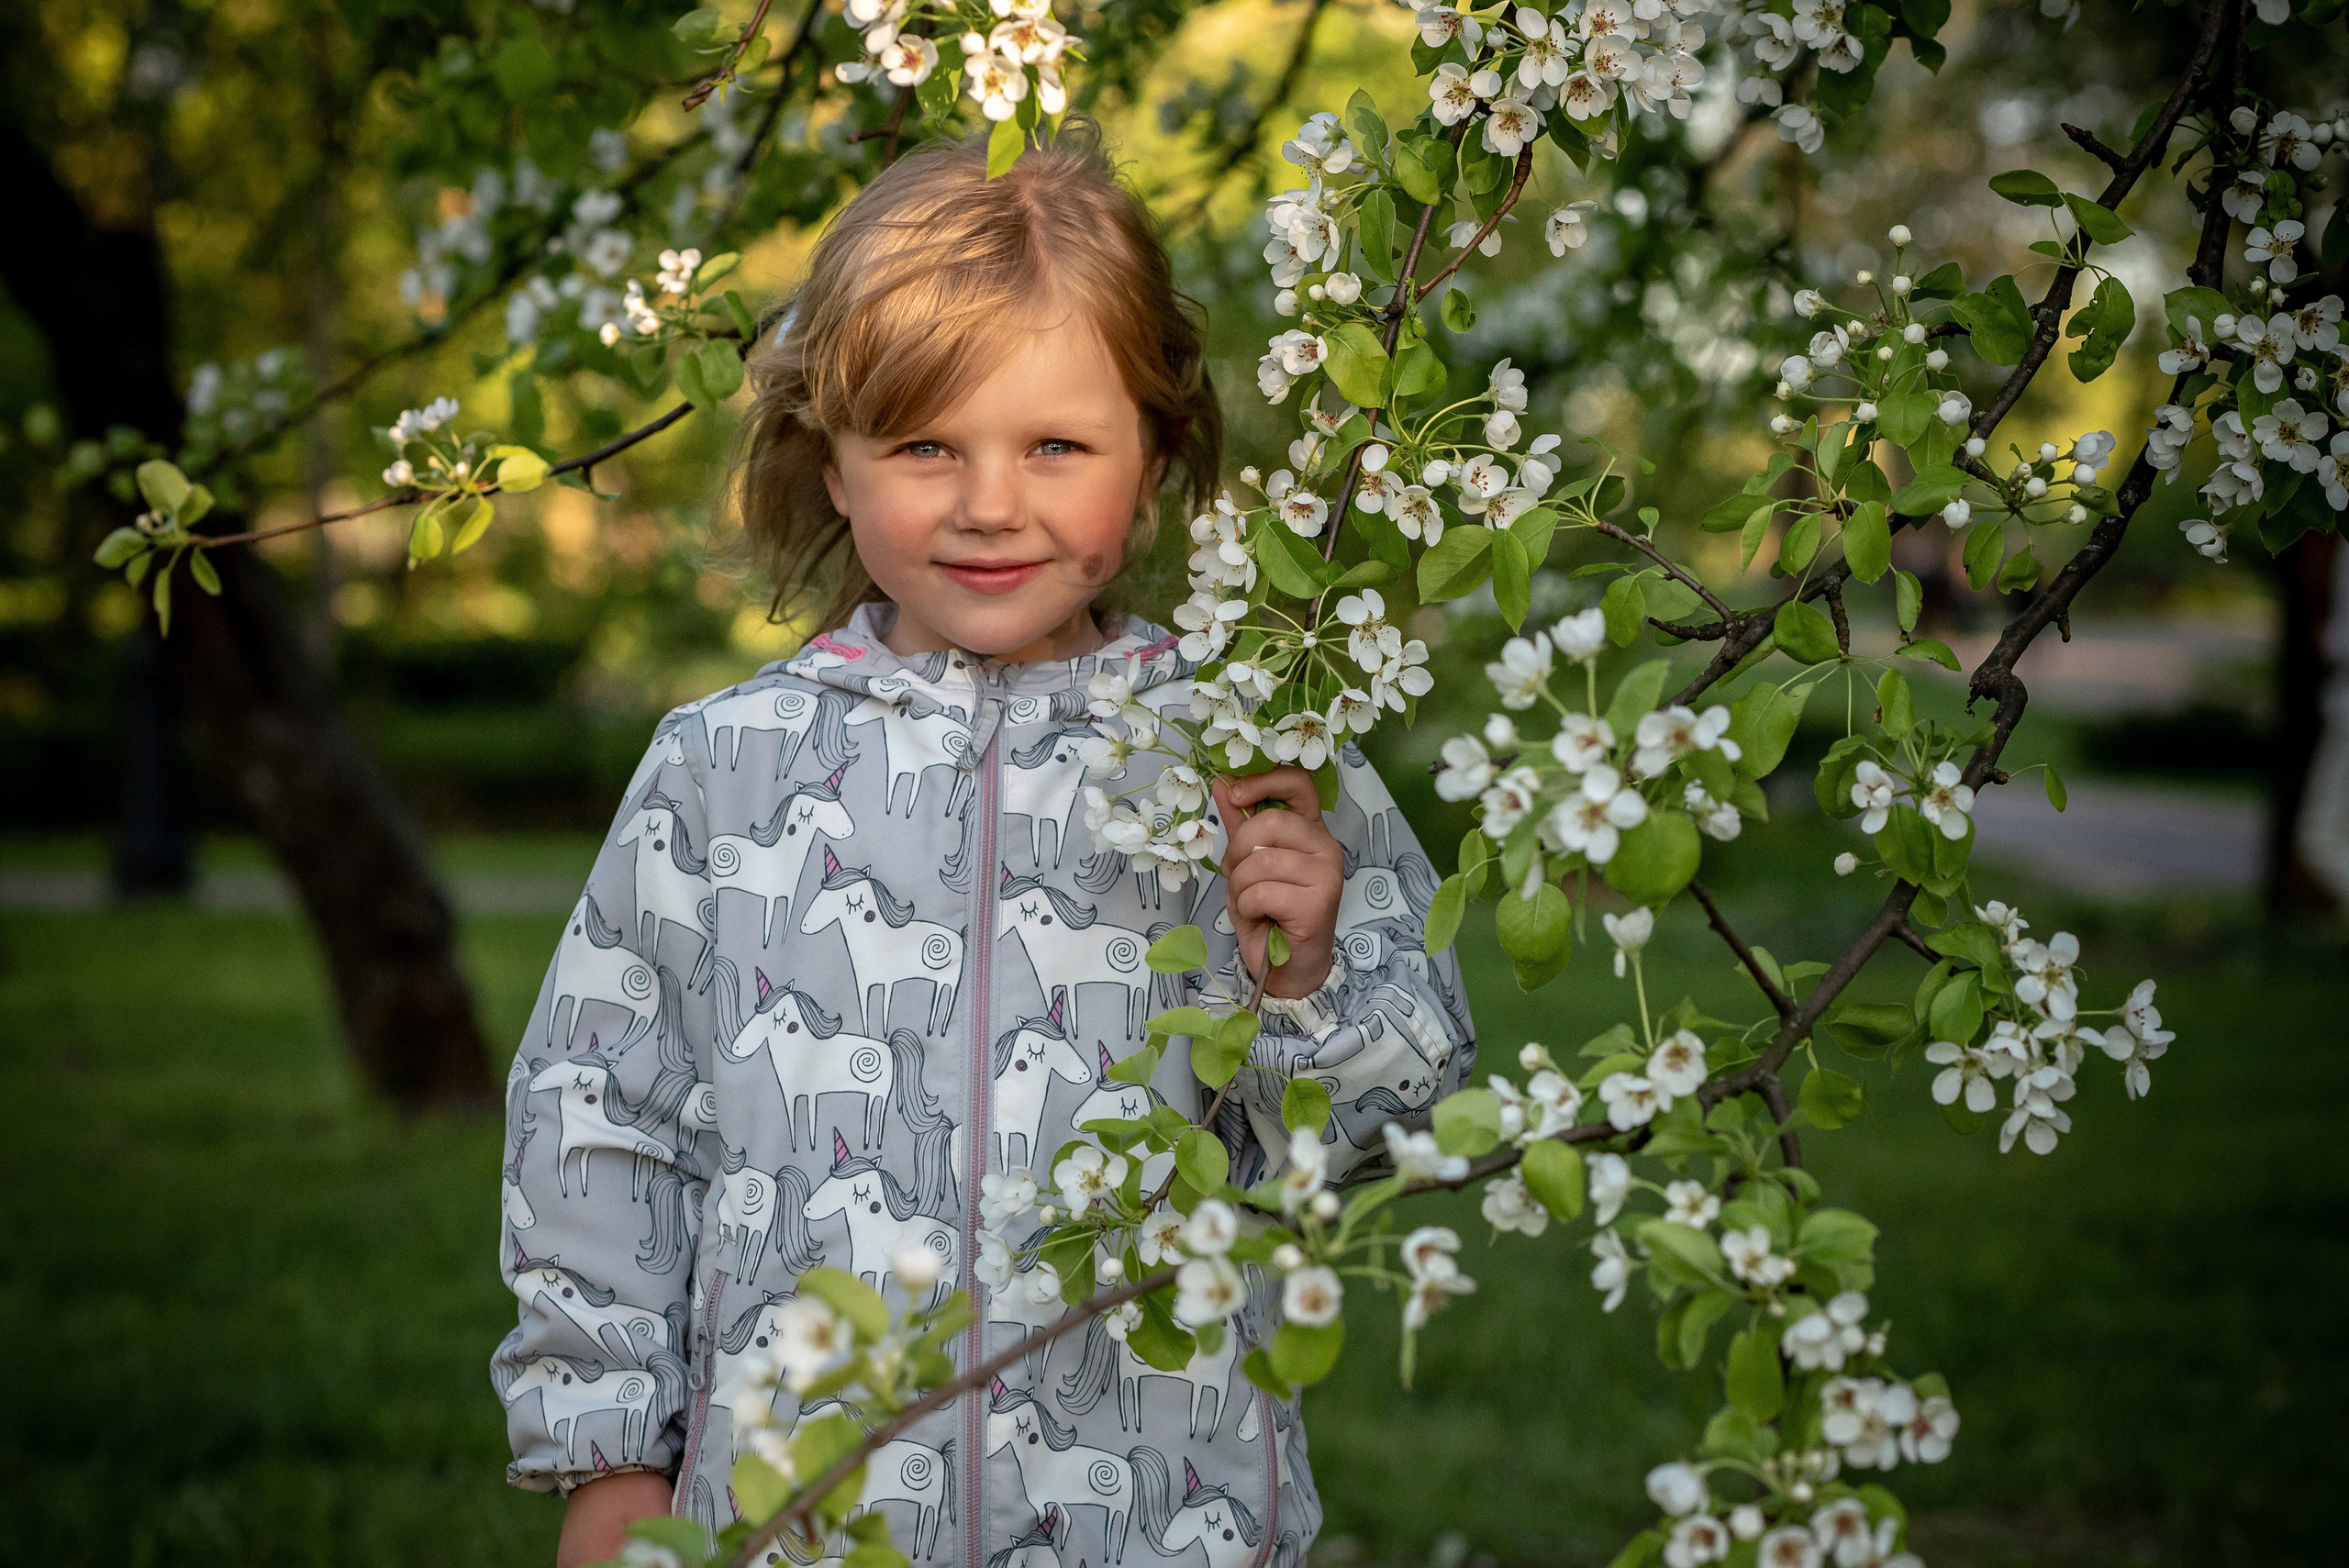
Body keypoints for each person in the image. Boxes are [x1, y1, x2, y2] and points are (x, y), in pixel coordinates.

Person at [492, 122, 1476, 1568]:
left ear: (1155, 456)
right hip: (799, 1523)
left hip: (1156, 1525)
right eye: (925, 445)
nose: (991, 503)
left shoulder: (1251, 755)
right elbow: (599, 1114)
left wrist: (1307, 984)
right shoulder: (722, 769)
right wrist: (606, 1460)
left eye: (1056, 445)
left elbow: (1399, 1127)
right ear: (834, 464)